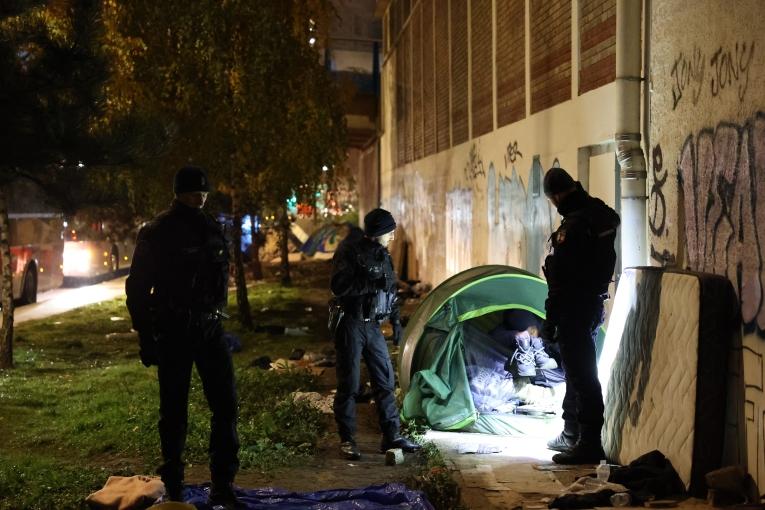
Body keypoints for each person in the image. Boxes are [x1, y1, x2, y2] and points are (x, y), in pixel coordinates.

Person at [125, 166, 242, 507]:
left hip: (210, 330)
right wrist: (146, 336)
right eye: (194, 192)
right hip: (174, 331)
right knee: (174, 411)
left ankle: (223, 484)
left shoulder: (212, 228)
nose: (201, 197)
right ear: (178, 192)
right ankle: (174, 484)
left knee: (226, 405)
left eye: (203, 192)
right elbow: (137, 287)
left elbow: (220, 281)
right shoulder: (158, 232)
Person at [540, 167, 620, 465]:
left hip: (573, 307)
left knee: (583, 374)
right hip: (593, 303)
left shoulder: (571, 229)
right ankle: (572, 431)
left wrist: (550, 320)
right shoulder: (600, 213)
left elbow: (560, 282)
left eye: (552, 199)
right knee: (578, 370)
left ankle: (588, 443)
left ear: (557, 195)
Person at [329, 208, 421, 460]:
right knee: (349, 384)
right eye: (389, 231)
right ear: (378, 232)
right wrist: (369, 284)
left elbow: (389, 291)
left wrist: (397, 325)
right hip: (351, 324)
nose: (392, 236)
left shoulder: (383, 255)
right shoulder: (350, 252)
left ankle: (391, 435)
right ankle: (347, 439)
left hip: (373, 327)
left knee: (385, 382)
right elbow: (338, 286)